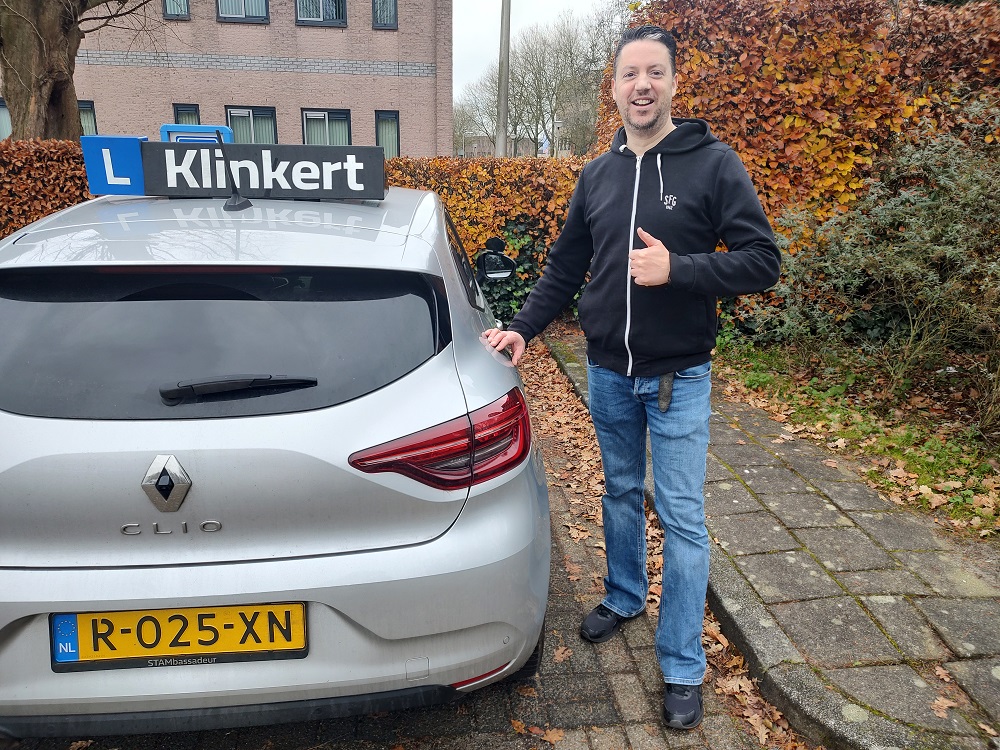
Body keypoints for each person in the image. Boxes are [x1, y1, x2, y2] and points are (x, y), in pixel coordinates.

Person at [483, 25, 781, 729]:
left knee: (682, 518)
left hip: (679, 378)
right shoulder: (598, 175)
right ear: (614, 87)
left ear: (674, 82)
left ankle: (681, 665)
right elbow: (565, 265)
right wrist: (523, 327)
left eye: (655, 72)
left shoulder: (714, 164)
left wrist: (680, 269)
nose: (642, 85)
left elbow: (762, 261)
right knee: (619, 489)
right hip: (609, 373)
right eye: (629, 74)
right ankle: (623, 595)